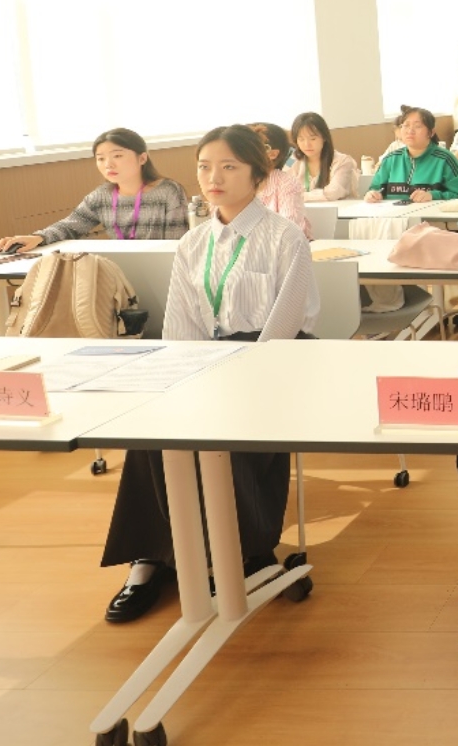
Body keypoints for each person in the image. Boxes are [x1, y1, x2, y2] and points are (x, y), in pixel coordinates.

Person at [99, 124, 317, 623]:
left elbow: (285, 326)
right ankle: (153, 556)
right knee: (151, 425)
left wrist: (235, 375)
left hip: (273, 360)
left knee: (231, 427)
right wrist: (180, 378)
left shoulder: (285, 237)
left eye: (228, 167)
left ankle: (245, 551)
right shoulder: (193, 242)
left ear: (258, 174)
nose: (213, 177)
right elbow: (181, 325)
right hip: (206, 359)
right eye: (204, 167)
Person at [0, 128, 188, 251]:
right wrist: (38, 237)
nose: (108, 164)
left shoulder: (168, 191)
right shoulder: (101, 196)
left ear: (142, 158)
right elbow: (70, 226)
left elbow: (176, 245)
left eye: (117, 156)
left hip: (164, 271)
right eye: (100, 158)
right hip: (123, 272)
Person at [365, 106, 458, 203]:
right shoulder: (390, 160)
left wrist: (433, 195)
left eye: (417, 126)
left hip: (431, 215)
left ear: (431, 132)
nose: (410, 131)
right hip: (394, 215)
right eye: (406, 125)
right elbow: (375, 188)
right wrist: (373, 194)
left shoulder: (445, 159)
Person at [250, 122, 311, 240]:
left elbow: (289, 229)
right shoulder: (237, 182)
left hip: (283, 247)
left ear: (273, 154)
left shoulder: (286, 183)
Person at [290, 112, 361, 203]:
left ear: (324, 137)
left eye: (313, 139)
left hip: (340, 210)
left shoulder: (343, 161)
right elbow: (284, 191)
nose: (307, 144)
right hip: (304, 211)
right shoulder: (293, 161)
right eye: (301, 139)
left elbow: (334, 192)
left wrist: (300, 196)